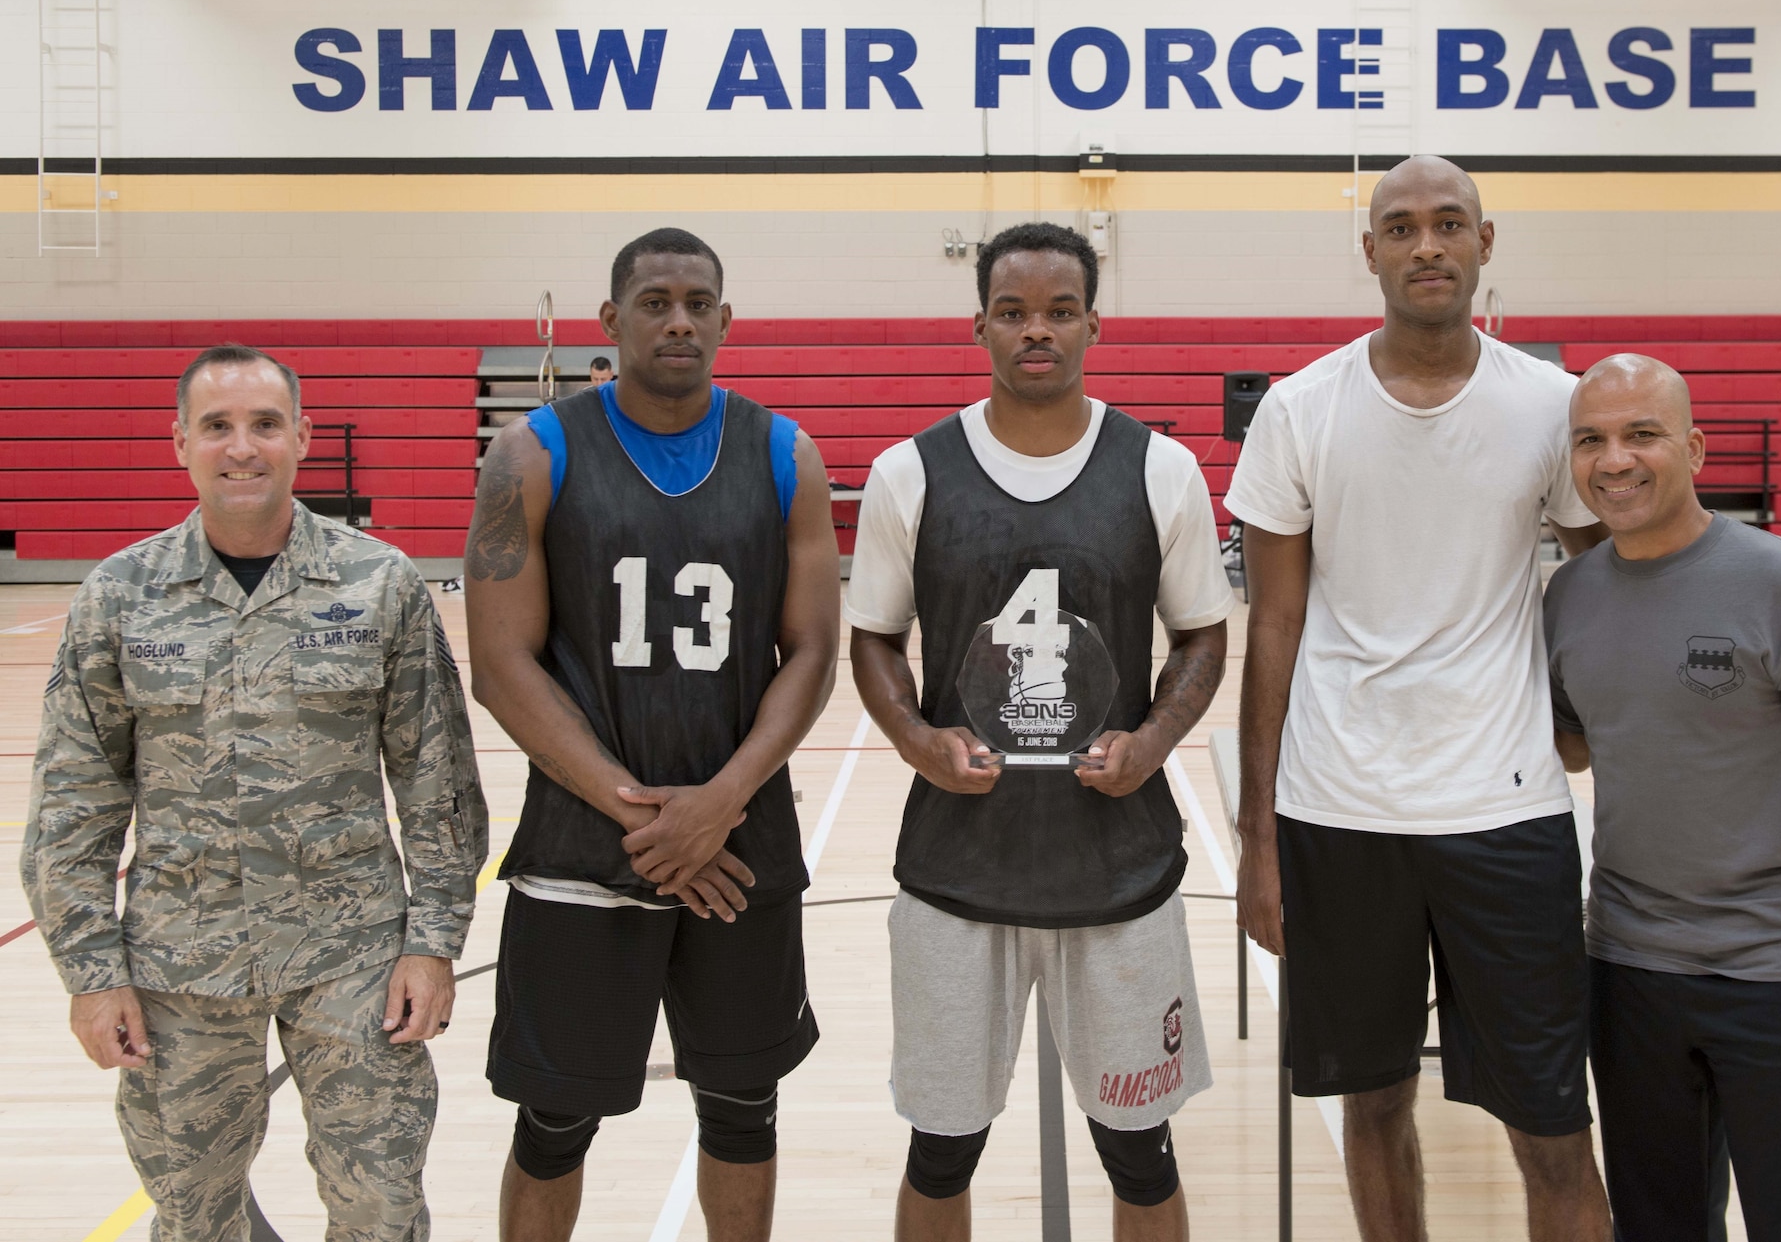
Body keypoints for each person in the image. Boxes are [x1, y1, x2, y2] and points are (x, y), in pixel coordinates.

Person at [1225, 155, 1614, 1242]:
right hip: (1341, 811)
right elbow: (1273, 626)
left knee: (1548, 1122)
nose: (1427, 245)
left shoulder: (1550, 407)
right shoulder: (1300, 409)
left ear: (1487, 244)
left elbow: (1606, 589)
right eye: (1400, 228)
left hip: (1507, 811)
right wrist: (1257, 838)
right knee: (1374, 1098)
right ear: (1370, 254)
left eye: (1450, 224)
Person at [20, 344, 488, 1242]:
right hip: (178, 966)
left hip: (354, 957)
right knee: (196, 1210)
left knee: (382, 1204)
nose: (244, 447)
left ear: (302, 437)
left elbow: (440, 786)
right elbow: (74, 807)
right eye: (219, 426)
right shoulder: (121, 596)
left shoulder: (377, 584)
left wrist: (432, 944)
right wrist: (91, 973)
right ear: (180, 443)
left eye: (266, 424)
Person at [848, 221, 1235, 1242]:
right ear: (977, 323)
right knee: (939, 1149)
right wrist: (916, 740)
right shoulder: (908, 473)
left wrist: (1150, 739)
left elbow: (1201, 635)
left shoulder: (1158, 469)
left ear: (1092, 325)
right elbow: (874, 643)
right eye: (1013, 311)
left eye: (1058, 311)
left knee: (1139, 1151)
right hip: (955, 870)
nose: (1036, 331)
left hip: (1117, 868)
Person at [464, 227, 840, 1242]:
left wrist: (718, 803)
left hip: (739, 838)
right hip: (584, 847)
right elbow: (501, 664)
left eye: (697, 301)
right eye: (654, 300)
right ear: (610, 320)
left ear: (725, 318)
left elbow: (810, 653)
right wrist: (648, 818)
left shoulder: (782, 453)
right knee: (553, 1122)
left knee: (741, 1111)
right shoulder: (525, 456)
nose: (678, 319)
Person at [1545, 354, 1781, 1240]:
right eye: (1591, 439)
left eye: (1642, 435)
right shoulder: (1570, 595)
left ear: (1697, 448)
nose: (1615, 459)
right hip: (1630, 969)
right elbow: (1578, 743)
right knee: (1659, 1224)